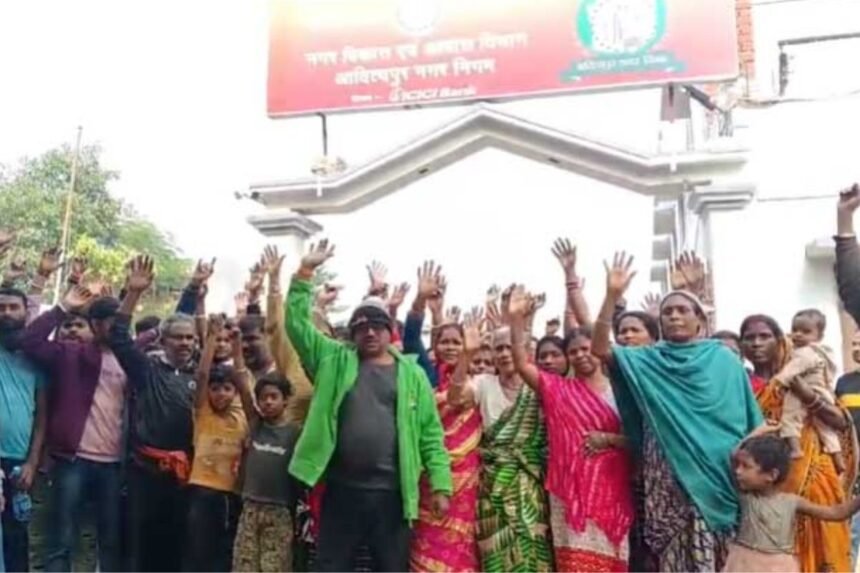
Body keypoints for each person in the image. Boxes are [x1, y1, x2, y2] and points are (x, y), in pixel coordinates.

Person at [285, 240, 452, 572]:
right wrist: (304, 274)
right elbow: (296, 326)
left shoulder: (413, 374)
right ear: (353, 333)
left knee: (390, 567)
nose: (370, 332)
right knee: (332, 567)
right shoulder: (332, 360)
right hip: (342, 490)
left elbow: (431, 435)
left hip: (393, 494)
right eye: (361, 327)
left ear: (390, 331)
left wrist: (441, 484)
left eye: (377, 326)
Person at [592, 253, 763, 572]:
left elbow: (750, 421)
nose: (674, 316)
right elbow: (600, 349)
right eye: (668, 311)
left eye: (683, 310)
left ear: (700, 319)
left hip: (722, 476)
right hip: (668, 478)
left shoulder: (725, 359)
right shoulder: (647, 360)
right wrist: (611, 296)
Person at [508, 285, 633, 572]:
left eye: (586, 349)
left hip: (611, 489)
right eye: (573, 351)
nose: (580, 355)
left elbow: (641, 439)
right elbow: (522, 364)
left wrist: (610, 439)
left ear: (599, 351)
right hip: (569, 493)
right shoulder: (558, 390)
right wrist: (516, 320)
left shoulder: (622, 390)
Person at [17, 286, 126, 572]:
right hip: (72, 461)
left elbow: (164, 335)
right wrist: (62, 307)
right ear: (96, 325)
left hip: (114, 465)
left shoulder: (131, 358)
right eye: (102, 321)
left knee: (107, 540)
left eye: (116, 321)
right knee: (61, 540)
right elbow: (29, 341)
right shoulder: (69, 355)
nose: (110, 327)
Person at [742, 314, 856, 573]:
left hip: (815, 475)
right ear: (741, 346)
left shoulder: (804, 370)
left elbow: (839, 421)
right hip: (765, 488)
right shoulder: (743, 385)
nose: (757, 343)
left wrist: (807, 396)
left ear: (780, 339)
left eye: (764, 336)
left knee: (824, 544)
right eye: (749, 338)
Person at [108, 255, 198, 572]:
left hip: (184, 477)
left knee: (175, 550)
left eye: (190, 337)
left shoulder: (202, 378)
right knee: (139, 550)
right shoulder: (147, 370)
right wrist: (133, 293)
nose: (185, 343)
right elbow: (118, 337)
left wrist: (197, 288)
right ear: (163, 339)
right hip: (144, 473)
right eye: (178, 337)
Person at [448, 321, 553, 572]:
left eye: (509, 347)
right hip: (493, 486)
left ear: (524, 349)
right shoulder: (484, 383)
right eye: (498, 349)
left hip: (530, 484)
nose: (504, 354)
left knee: (533, 553)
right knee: (495, 555)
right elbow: (454, 398)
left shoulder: (540, 385)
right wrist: (466, 356)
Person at [404, 261, 481, 573]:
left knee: (460, 545)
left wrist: (468, 358)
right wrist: (421, 301)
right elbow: (410, 338)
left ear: (467, 345)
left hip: (467, 475)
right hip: (430, 471)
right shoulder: (426, 375)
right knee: (427, 542)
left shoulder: (480, 379)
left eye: (456, 342)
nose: (450, 347)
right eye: (444, 342)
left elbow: (459, 396)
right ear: (434, 346)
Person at [726, 434, 860, 572]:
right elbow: (733, 454)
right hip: (744, 564)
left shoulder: (791, 502)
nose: (738, 471)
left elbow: (836, 513)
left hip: (779, 567)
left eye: (746, 466)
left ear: (771, 475)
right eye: (738, 465)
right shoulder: (747, 497)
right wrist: (765, 429)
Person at [184, 316, 248, 572]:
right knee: (198, 551)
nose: (220, 394)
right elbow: (201, 375)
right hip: (202, 492)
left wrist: (237, 345)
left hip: (232, 495)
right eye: (215, 388)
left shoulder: (242, 413)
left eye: (226, 389)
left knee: (225, 553)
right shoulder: (203, 412)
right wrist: (210, 337)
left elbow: (243, 379)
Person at [232, 370, 300, 573]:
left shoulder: (295, 433)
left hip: (279, 510)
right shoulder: (256, 426)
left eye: (274, 397)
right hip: (251, 507)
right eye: (263, 398)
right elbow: (243, 388)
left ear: (286, 400)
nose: (268, 402)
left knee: (274, 567)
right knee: (245, 565)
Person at [0, 286, 47, 573]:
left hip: (19, 463)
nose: (6, 313)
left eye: (13, 307)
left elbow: (42, 415)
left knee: (16, 536)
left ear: (25, 311)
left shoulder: (38, 359)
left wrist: (32, 461)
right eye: (0, 307)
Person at [773, 310, 841, 468]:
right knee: (825, 429)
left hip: (806, 390)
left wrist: (778, 383)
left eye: (806, 332)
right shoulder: (822, 353)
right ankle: (837, 457)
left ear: (819, 336)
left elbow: (790, 372)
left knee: (790, 418)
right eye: (795, 330)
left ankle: (795, 449)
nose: (798, 335)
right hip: (823, 392)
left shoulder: (804, 353)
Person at [836, 330, 860, 566]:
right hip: (854, 469)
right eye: (854, 343)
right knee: (850, 534)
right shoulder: (844, 383)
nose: (857, 347)